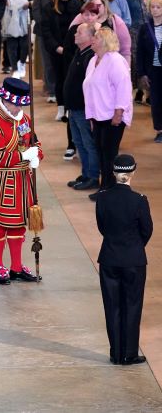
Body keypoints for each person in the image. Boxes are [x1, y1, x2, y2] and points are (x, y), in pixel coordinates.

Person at [0, 78, 43, 285]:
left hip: (23, 181)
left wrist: (36, 155)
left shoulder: (24, 120)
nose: (18, 108)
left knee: (18, 227)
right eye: (15, 104)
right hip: (1, 182)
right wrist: (24, 156)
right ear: (5, 101)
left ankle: (16, 267)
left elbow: (35, 143)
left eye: (21, 104)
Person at [96, 154, 152, 365]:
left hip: (109, 258)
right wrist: (134, 247)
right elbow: (147, 230)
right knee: (132, 305)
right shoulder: (139, 200)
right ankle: (129, 353)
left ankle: (115, 354)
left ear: (113, 172)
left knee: (112, 306)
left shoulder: (102, 197)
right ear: (133, 172)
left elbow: (102, 227)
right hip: (134, 260)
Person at [84, 26, 134, 194]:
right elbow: (90, 88)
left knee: (109, 153)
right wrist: (91, 116)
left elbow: (123, 87)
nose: (93, 39)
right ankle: (104, 186)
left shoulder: (115, 60)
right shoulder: (93, 60)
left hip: (112, 116)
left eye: (96, 37)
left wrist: (119, 112)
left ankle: (109, 188)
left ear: (104, 41)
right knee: (100, 152)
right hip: (98, 115)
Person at [64, 23, 100, 190]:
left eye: (79, 32)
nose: (75, 34)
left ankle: (93, 176)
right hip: (73, 107)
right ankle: (86, 173)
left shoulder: (91, 57)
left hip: (83, 108)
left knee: (88, 143)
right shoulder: (80, 53)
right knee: (78, 142)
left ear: (91, 37)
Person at [42, 0, 81, 110]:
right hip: (57, 48)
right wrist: (56, 47)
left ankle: (73, 106)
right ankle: (61, 106)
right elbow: (46, 31)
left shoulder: (78, 4)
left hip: (75, 49)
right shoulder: (49, 6)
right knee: (60, 78)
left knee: (75, 79)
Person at [3, 0, 36, 78]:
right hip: (10, 15)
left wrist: (29, 4)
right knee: (11, 42)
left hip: (25, 14)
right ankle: (14, 68)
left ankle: (22, 62)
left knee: (24, 43)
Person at [136, 0, 162, 142]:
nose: (155, 10)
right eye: (153, 7)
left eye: (159, 7)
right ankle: (159, 129)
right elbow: (139, 52)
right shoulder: (145, 28)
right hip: (153, 70)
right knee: (156, 101)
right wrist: (142, 73)